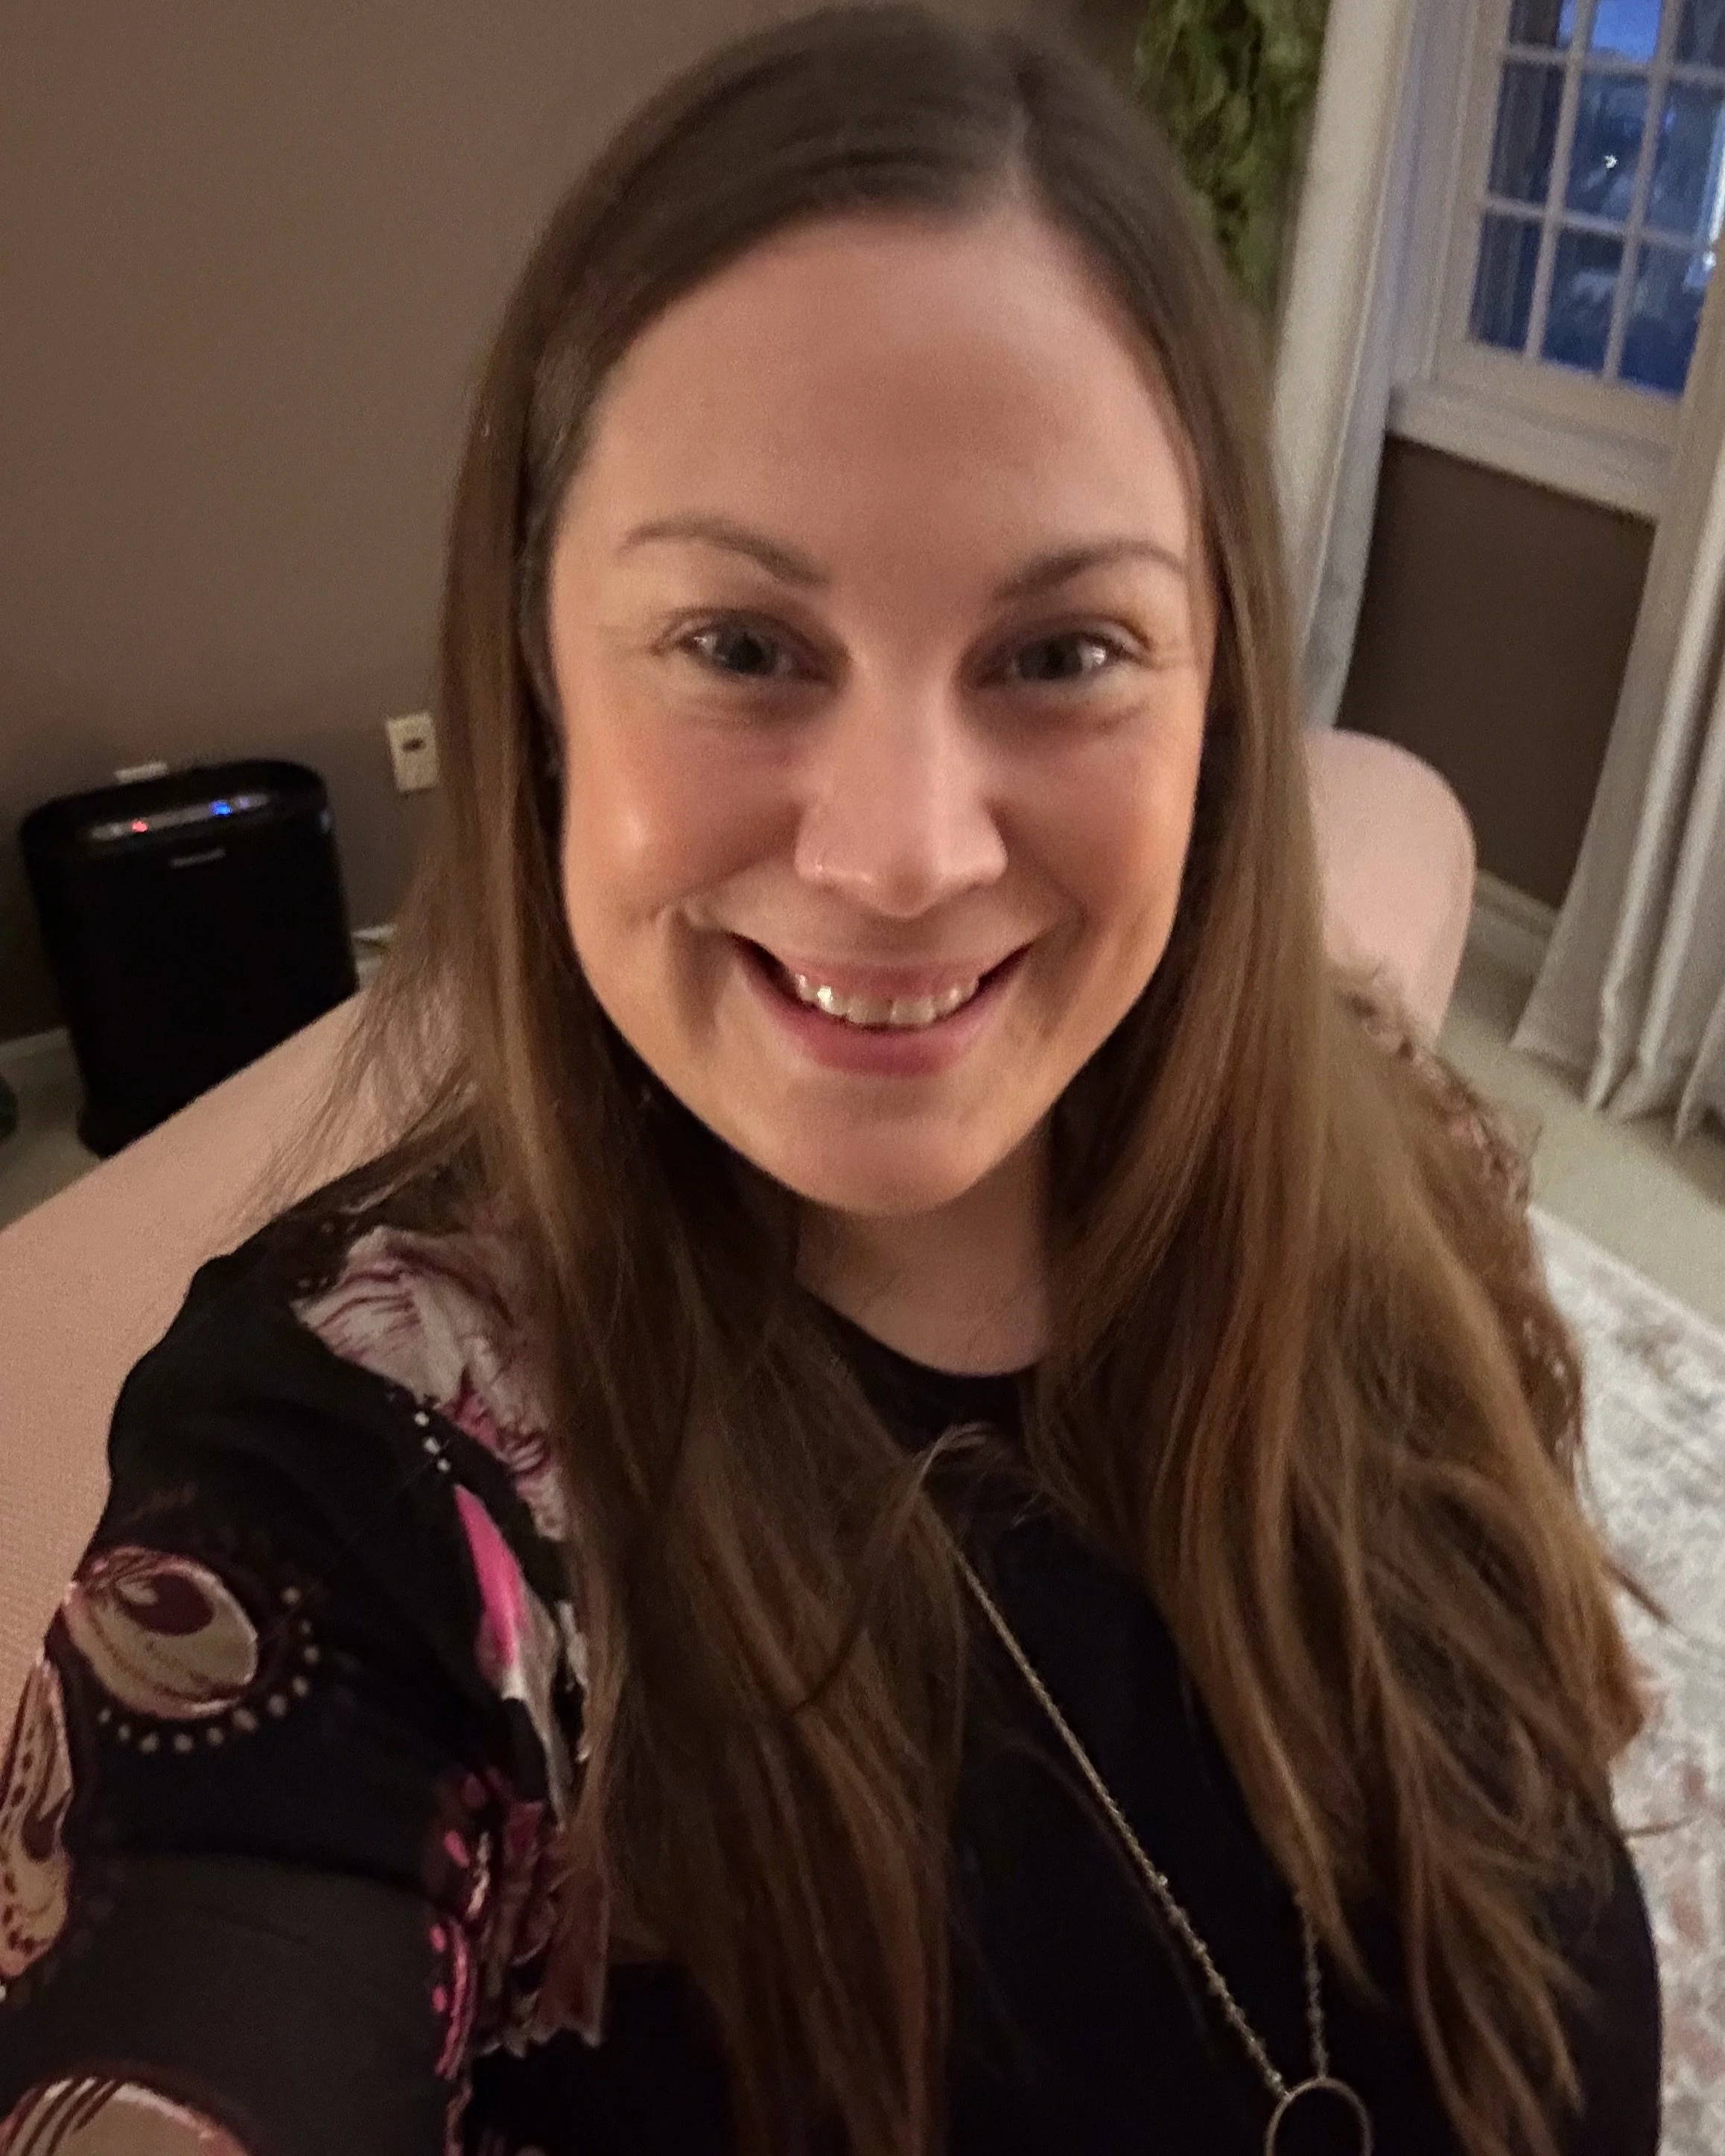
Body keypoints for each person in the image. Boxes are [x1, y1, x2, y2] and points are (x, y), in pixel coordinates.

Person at [0, 9, 1660, 2155]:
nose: (902, 855)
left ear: (1223, 702)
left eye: (1060, 652)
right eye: (741, 647)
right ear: (538, 682)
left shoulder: (1391, 1175)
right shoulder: (364, 1478)